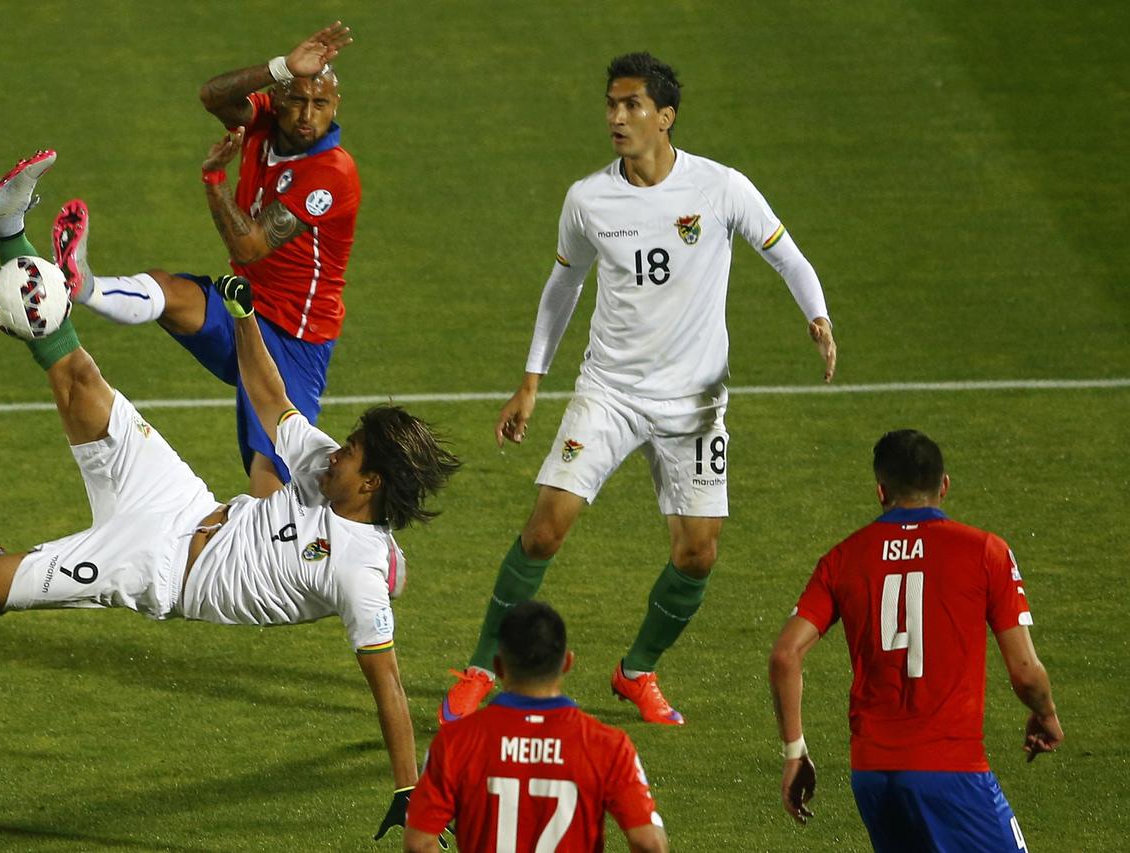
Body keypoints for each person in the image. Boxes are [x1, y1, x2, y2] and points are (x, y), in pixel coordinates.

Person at [0, 160, 460, 842]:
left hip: (152, 566)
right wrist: (245, 318)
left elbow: (389, 685)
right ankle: (5, 225)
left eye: (352, 451)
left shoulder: (359, 570)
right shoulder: (322, 470)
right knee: (80, 379)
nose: (336, 451)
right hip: (178, 501)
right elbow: (270, 396)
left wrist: (408, 787)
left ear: (370, 484)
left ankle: (1, 565)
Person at [441, 52, 837, 726]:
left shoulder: (721, 188)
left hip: (696, 403)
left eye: (632, 105)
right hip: (611, 392)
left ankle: (637, 671)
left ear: (666, 116)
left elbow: (786, 254)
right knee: (545, 529)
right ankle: (482, 666)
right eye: (611, 104)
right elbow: (562, 286)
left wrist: (818, 316)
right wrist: (531, 383)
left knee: (697, 552)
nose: (617, 118)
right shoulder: (588, 199)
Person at [50, 22, 356, 496]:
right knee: (169, 292)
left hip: (296, 337)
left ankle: (268, 544)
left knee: (270, 481)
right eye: (296, 100)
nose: (306, 115)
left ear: (335, 107)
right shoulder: (263, 121)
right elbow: (212, 96)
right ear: (277, 101)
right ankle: (83, 284)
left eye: (320, 104)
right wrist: (282, 67)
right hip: (246, 309)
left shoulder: (331, 173)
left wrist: (215, 180)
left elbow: (249, 246)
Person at [768, 429, 1063, 850]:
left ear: (880, 491)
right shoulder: (985, 551)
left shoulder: (843, 557)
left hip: (872, 777)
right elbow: (1026, 673)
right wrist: (1045, 713)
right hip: (952, 772)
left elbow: (784, 655)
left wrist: (794, 750)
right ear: (944, 485)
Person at [405, 601, 668, 852]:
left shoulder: (455, 742)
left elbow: (419, 843)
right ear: (567, 663)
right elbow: (648, 844)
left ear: (498, 666)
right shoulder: (608, 746)